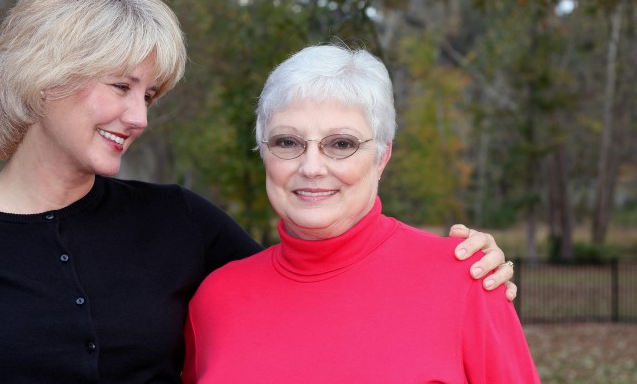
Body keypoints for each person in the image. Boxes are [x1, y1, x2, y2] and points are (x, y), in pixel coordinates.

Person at [0, 0, 514, 383]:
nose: (139, 117)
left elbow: (318, 271)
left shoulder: (178, 223)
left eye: (150, 94)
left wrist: (459, 277)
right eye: (120, 86)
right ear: (43, 76)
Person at [182, 45, 540, 383]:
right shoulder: (215, 300)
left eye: (341, 144)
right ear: (264, 152)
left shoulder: (468, 280)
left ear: (382, 157)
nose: (312, 167)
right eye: (287, 142)